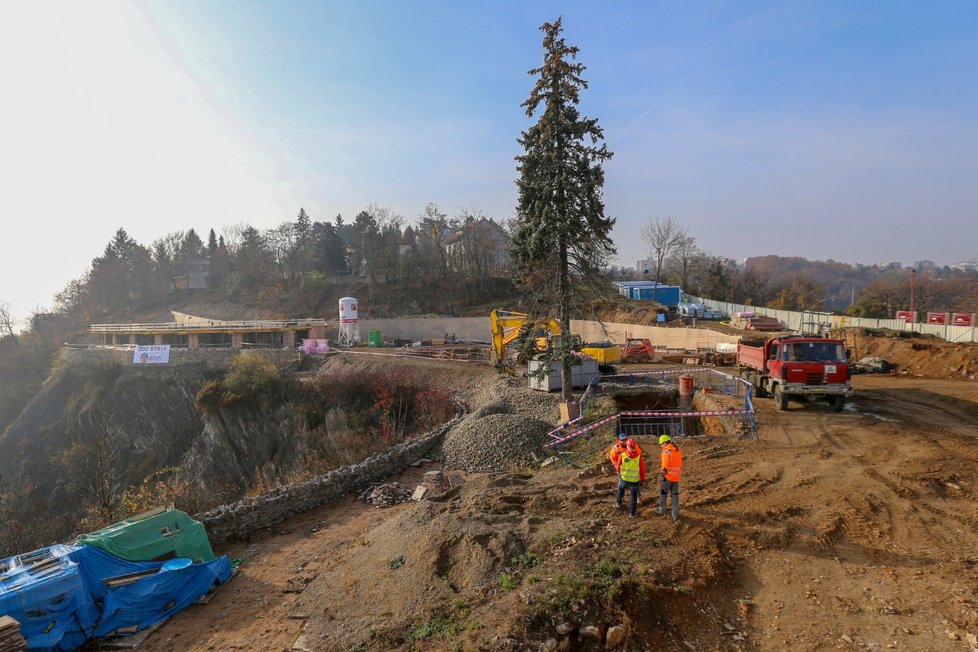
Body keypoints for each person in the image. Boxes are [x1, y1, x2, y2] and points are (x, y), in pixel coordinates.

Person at [614, 437, 646, 518]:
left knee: (621, 490)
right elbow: (642, 470)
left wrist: (619, 473)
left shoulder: (623, 455)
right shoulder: (639, 457)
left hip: (624, 478)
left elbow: (618, 466)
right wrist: (642, 479)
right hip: (634, 480)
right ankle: (632, 513)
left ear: (627, 446)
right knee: (633, 497)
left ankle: (618, 503)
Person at [657, 434, 683, 521]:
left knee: (663, 493)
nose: (661, 446)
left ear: (665, 443)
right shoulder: (677, 450)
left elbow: (665, 465)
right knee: (675, 495)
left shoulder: (666, 452)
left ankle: (662, 509)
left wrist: (662, 473)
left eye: (661, 444)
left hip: (667, 477)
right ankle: (675, 514)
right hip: (676, 476)